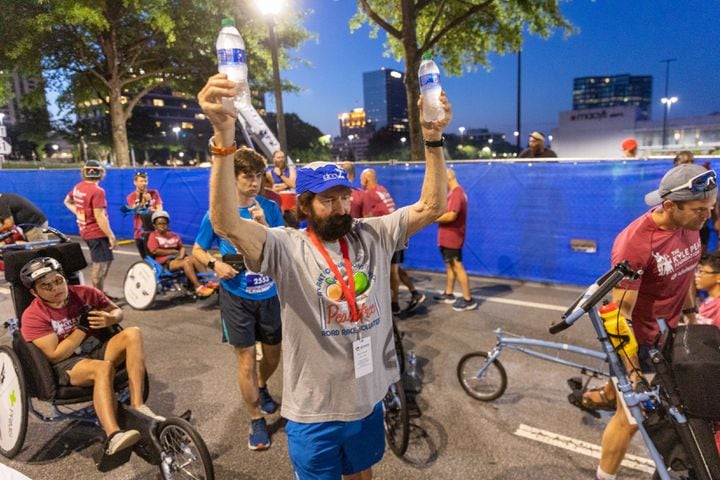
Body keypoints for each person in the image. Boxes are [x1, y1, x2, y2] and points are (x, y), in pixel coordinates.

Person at [198, 72, 450, 479]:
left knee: (363, 475)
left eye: (344, 197)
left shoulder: (374, 233)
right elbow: (225, 221)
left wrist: (434, 138)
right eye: (328, 200)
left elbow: (432, 205)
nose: (340, 208)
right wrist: (223, 135)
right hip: (314, 412)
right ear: (306, 204)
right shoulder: (284, 246)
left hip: (367, 400)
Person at [592, 163, 715, 480]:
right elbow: (619, 314)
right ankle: (604, 476)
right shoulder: (635, 243)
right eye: (700, 209)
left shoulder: (690, 224)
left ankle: (608, 391)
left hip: (671, 333)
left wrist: (689, 314)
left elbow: (685, 269)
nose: (707, 217)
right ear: (671, 205)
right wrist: (632, 370)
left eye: (710, 208)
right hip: (642, 342)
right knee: (631, 418)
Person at [19, 257, 164, 455]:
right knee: (102, 368)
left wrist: (110, 318)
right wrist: (82, 328)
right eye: (46, 286)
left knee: (133, 333)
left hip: (94, 347)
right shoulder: (33, 315)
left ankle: (138, 405)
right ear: (34, 292)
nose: (55, 288)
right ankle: (114, 435)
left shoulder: (85, 294)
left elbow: (116, 311)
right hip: (66, 362)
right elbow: (55, 355)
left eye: (58, 280)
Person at [192, 147, 284, 451]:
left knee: (272, 356)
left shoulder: (269, 207)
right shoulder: (218, 214)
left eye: (258, 175)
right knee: (245, 359)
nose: (254, 182)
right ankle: (256, 418)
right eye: (247, 176)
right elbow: (197, 250)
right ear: (233, 178)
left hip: (269, 294)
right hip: (236, 297)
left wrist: (265, 226)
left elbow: (284, 250)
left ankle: (261, 385)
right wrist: (214, 264)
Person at [360, 167, 426, 314]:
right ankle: (415, 292)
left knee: (392, 272)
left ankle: (394, 304)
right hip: (397, 232)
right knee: (396, 269)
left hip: (389, 236)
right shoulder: (382, 189)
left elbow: (366, 216)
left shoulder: (369, 194)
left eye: (361, 180)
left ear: (366, 180)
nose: (361, 183)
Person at [63, 160, 116, 295]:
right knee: (100, 266)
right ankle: (97, 299)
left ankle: (100, 294)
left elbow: (67, 201)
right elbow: (100, 217)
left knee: (107, 261)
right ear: (101, 173)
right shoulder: (97, 191)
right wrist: (110, 235)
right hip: (96, 233)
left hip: (86, 230)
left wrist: (79, 212)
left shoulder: (78, 187)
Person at [434, 168, 477, 311]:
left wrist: (432, 218)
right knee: (450, 265)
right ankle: (449, 293)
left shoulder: (457, 193)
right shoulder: (453, 193)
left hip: (453, 237)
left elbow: (451, 215)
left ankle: (468, 300)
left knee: (457, 266)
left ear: (448, 178)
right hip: (447, 237)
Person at [146, 210, 214, 298]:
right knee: (186, 263)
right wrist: (173, 252)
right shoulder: (153, 236)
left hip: (178, 258)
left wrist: (181, 254)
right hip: (164, 262)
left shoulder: (174, 235)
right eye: (160, 224)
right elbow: (154, 251)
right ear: (154, 225)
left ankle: (207, 281)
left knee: (195, 258)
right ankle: (198, 287)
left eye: (164, 223)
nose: (162, 226)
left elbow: (181, 247)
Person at [125, 171, 163, 257]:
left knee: (158, 258)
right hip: (141, 233)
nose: (144, 183)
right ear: (135, 182)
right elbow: (135, 210)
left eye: (145, 181)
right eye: (141, 181)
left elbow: (160, 210)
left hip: (155, 231)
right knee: (146, 259)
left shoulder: (154, 193)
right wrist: (145, 201)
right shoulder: (131, 197)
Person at [695, 252, 720, 328]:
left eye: (701, 271)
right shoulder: (709, 300)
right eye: (697, 271)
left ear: (718, 277)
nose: (696, 275)